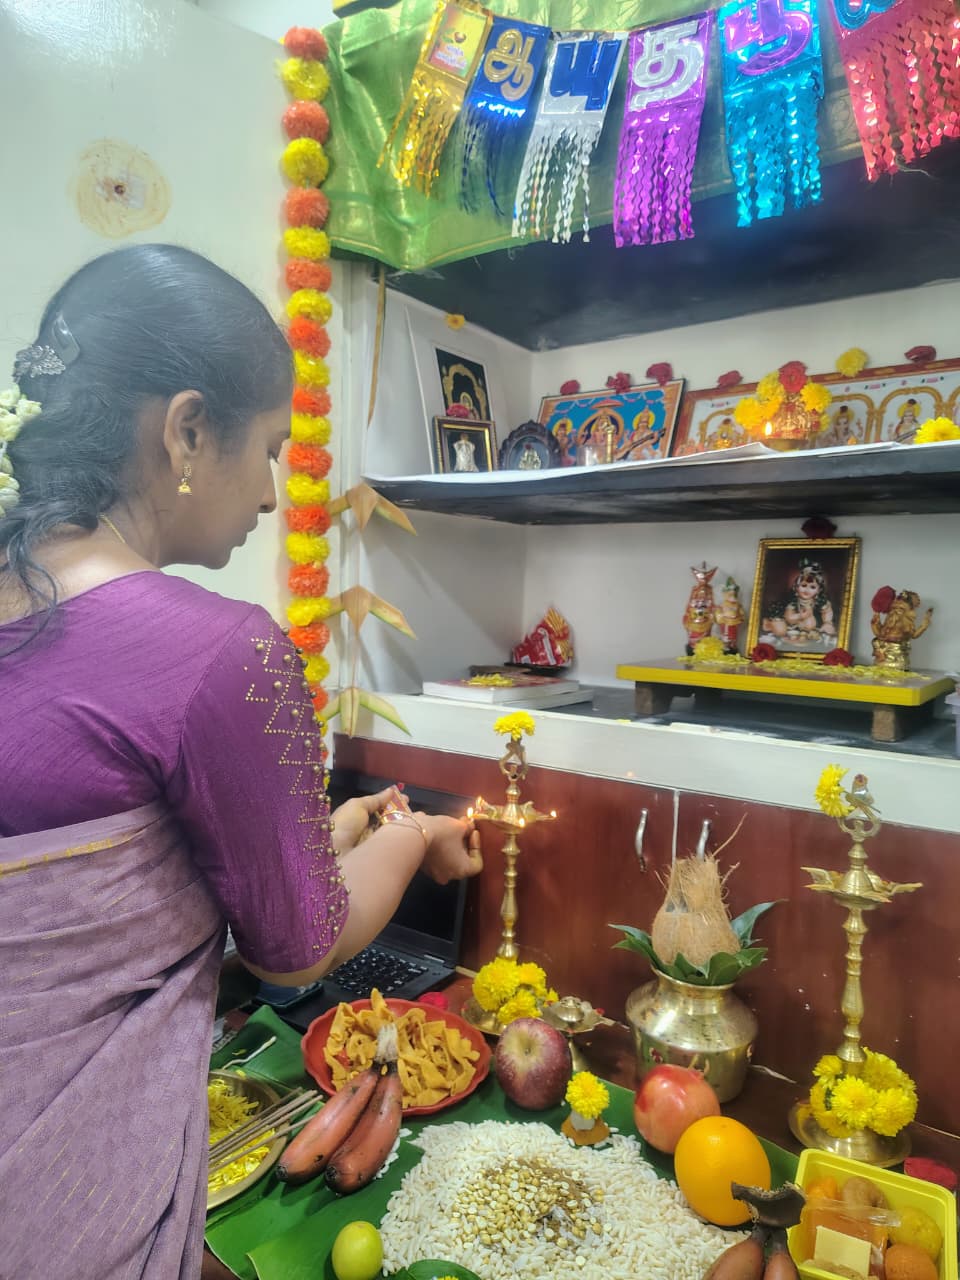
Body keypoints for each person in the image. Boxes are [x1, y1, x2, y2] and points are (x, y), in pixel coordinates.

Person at [0, 245, 482, 1279]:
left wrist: (326, 835)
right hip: (62, 1195)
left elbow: (127, 877)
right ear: (186, 429)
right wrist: (411, 836)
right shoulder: (219, 648)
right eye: (267, 449)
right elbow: (297, 951)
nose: (270, 494)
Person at [761, 558, 836, 648]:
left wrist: (827, 622)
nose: (807, 590)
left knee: (811, 625)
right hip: (786, 620)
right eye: (804, 585)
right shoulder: (793, 601)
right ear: (796, 587)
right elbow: (789, 617)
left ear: (818, 590)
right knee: (780, 631)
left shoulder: (820, 601)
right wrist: (801, 616)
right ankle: (768, 624)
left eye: (812, 587)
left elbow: (827, 611)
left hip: (803, 626)